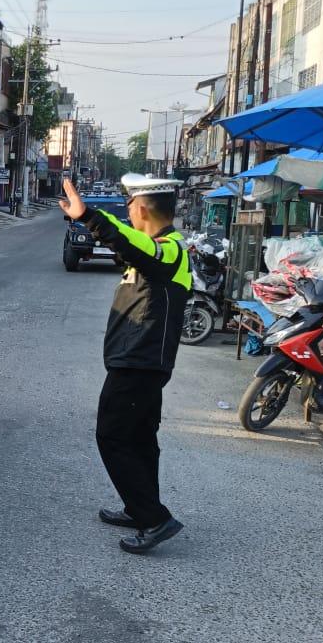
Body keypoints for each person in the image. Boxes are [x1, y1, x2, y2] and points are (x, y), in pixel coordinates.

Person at [60, 173, 191, 554]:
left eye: (131, 204)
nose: (128, 210)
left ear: (144, 207)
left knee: (113, 436)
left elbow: (129, 241)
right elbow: (131, 244)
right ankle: (140, 508)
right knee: (139, 439)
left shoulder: (168, 250)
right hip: (140, 360)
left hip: (139, 361)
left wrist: (90, 217)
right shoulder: (160, 248)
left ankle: (155, 519)